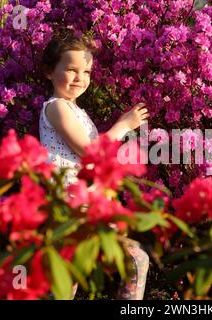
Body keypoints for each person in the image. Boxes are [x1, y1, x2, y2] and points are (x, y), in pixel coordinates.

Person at [39, 28, 149, 300]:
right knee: (133, 259)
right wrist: (123, 125)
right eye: (72, 69)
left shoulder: (76, 111)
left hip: (84, 202)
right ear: (49, 72)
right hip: (69, 205)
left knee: (71, 278)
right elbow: (90, 152)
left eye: (86, 72)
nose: (80, 78)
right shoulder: (56, 107)